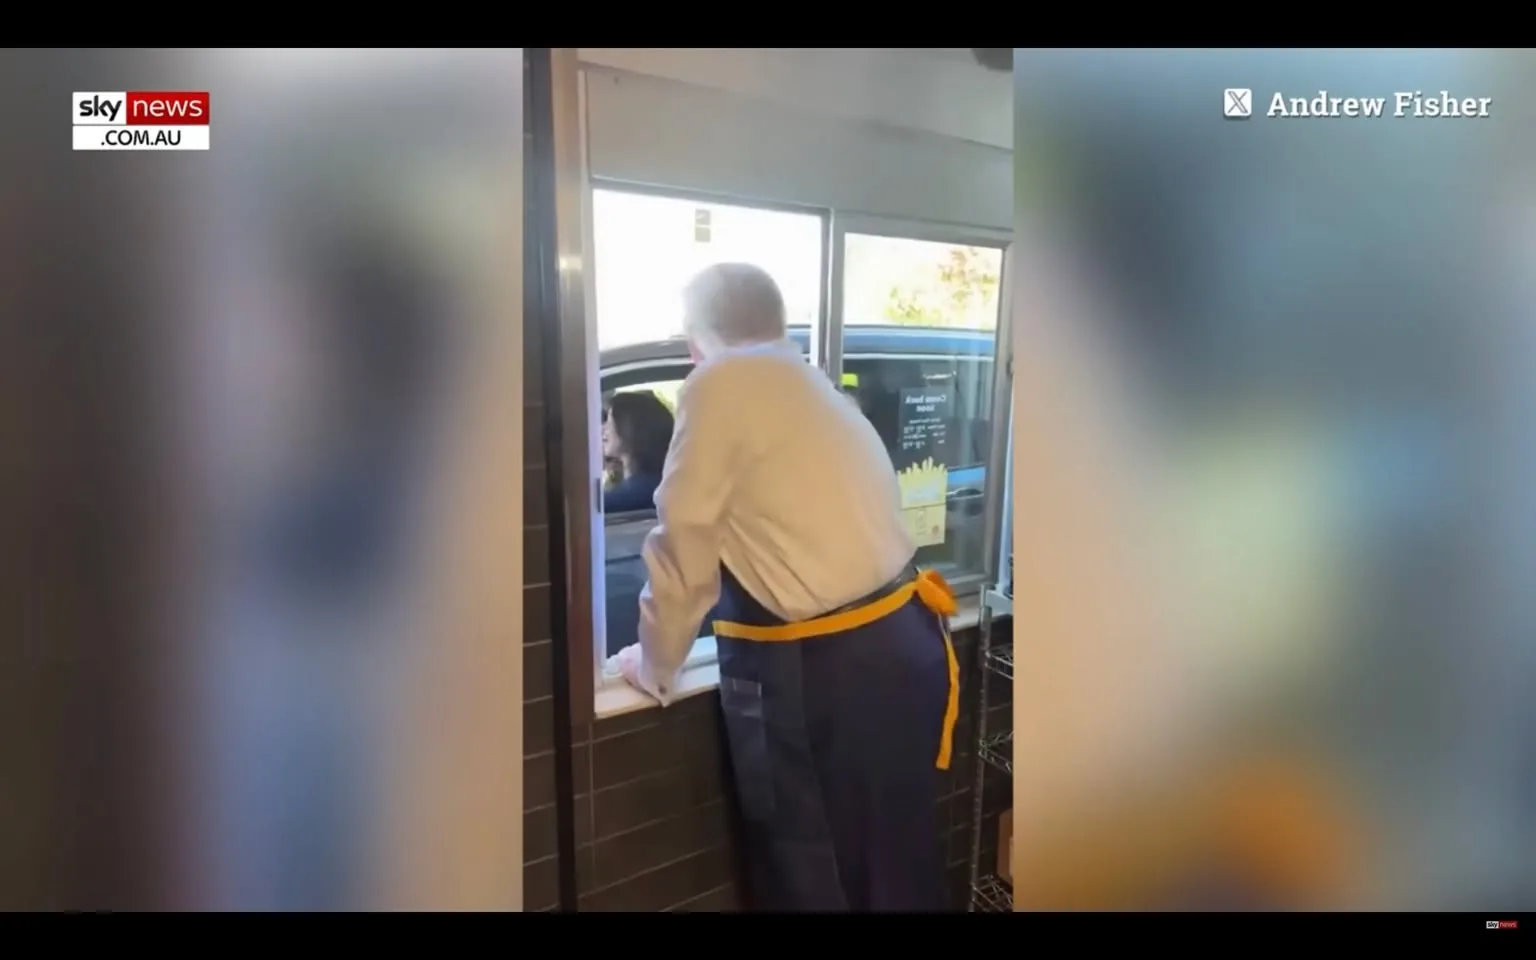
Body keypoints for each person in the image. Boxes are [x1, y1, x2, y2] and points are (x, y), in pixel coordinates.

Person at [613, 262, 960, 912]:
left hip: (830, 678)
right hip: (905, 650)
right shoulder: (816, 386)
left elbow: (684, 543)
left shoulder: (718, 383)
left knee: (816, 876)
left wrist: (655, 664)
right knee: (893, 869)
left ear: (694, 344)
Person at [600, 390, 675, 513]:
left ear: (630, 428)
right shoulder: (655, 483)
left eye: (609, 421)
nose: (603, 429)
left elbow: (588, 507)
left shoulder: (642, 489)